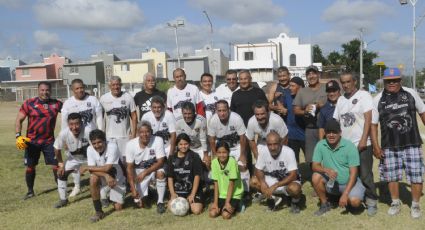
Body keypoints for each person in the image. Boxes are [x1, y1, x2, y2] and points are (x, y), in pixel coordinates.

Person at [371, 67, 425, 219]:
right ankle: (395, 202)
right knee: (392, 177)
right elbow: (373, 125)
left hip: (412, 143)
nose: (392, 83)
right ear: (384, 81)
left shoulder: (411, 94)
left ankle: (415, 205)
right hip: (389, 146)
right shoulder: (377, 99)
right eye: (389, 81)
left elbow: (422, 112)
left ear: (400, 80)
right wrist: (376, 146)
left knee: (416, 176)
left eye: (395, 80)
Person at [333, 72, 378, 216]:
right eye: (343, 82)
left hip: (362, 143)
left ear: (355, 82)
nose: (345, 85)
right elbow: (337, 122)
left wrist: (364, 139)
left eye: (348, 82)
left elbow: (368, 118)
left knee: (365, 174)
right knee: (350, 174)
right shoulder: (340, 100)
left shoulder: (364, 95)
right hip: (346, 146)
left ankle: (371, 202)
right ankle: (355, 197)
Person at [15, 81, 63, 200]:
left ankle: (61, 188)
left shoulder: (57, 104)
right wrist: (18, 136)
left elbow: (70, 113)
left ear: (50, 91)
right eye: (42, 90)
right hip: (31, 142)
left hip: (49, 141)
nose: (44, 92)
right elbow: (18, 120)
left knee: (56, 166)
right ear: (38, 90)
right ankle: (30, 191)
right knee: (30, 167)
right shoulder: (29, 103)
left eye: (47, 90)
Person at [312, 119, 365, 216]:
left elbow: (353, 174)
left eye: (334, 132)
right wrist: (326, 170)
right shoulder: (320, 145)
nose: (331, 135)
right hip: (332, 184)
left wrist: (345, 194)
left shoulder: (350, 146)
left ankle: (348, 199)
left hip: (349, 183)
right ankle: (325, 204)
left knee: (355, 202)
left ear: (340, 132)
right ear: (325, 133)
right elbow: (315, 166)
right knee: (316, 176)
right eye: (328, 132)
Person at [61, 78, 103, 197]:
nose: (80, 90)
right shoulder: (68, 103)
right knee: (75, 162)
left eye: (81, 87)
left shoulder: (93, 99)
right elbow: (64, 122)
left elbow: (99, 117)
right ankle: (77, 186)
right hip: (74, 138)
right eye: (77, 88)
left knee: (94, 161)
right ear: (72, 90)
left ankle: (98, 183)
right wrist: (65, 140)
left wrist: (100, 133)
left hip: (92, 137)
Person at [80, 129, 126, 222]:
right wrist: (105, 175)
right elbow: (93, 170)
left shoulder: (112, 146)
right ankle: (98, 211)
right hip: (105, 177)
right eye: (94, 143)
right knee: (93, 178)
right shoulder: (90, 149)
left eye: (99, 142)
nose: (97, 146)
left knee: (118, 208)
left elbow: (107, 168)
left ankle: (107, 193)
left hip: (118, 178)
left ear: (105, 140)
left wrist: (87, 167)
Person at [251, 131, 302, 213]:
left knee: (294, 189)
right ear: (266, 144)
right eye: (269, 145)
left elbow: (293, 175)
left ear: (280, 143)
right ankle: (272, 198)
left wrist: (275, 186)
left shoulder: (289, 152)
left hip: (287, 181)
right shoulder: (263, 151)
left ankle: (294, 202)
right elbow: (258, 169)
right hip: (272, 180)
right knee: (254, 181)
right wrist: (263, 182)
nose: (272, 147)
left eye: (275, 144)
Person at [208, 100, 249, 194]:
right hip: (221, 148)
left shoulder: (236, 118)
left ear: (228, 110)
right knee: (217, 168)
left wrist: (243, 154)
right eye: (219, 110)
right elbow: (211, 139)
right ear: (216, 111)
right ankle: (220, 191)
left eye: (224, 110)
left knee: (242, 167)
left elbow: (243, 137)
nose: (222, 113)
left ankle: (246, 191)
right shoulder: (213, 120)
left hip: (236, 146)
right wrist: (214, 154)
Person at [126, 121, 167, 213]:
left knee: (161, 173)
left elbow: (161, 162)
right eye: (141, 132)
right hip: (138, 175)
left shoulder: (158, 140)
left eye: (147, 131)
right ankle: (151, 191)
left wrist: (145, 172)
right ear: (137, 133)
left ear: (151, 131)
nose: (145, 134)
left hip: (153, 170)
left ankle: (160, 202)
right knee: (140, 205)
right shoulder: (130, 144)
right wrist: (132, 189)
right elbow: (129, 168)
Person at [53, 113, 90, 208]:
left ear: (81, 123)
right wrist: (61, 164)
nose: (74, 127)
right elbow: (57, 148)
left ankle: (104, 197)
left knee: (99, 174)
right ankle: (63, 200)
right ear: (68, 124)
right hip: (74, 159)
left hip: (90, 159)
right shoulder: (63, 133)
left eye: (77, 124)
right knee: (61, 173)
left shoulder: (89, 131)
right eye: (71, 124)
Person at [293, 65, 327, 165]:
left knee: (327, 155)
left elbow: (337, 101)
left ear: (318, 74)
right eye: (308, 74)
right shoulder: (302, 91)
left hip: (327, 128)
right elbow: (295, 110)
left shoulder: (326, 88)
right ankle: (315, 178)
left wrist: (322, 105)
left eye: (313, 73)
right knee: (312, 159)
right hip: (310, 128)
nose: (311, 76)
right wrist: (304, 111)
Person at [100, 76, 137, 161]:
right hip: (110, 137)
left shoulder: (128, 97)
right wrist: (101, 133)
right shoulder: (103, 98)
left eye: (118, 84)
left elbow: (134, 116)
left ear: (121, 85)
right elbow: (100, 117)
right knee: (111, 161)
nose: (116, 87)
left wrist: (134, 134)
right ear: (110, 86)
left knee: (126, 161)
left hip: (125, 136)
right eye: (113, 85)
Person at [168, 133, 204, 215]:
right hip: (178, 192)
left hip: (192, 191)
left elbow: (197, 176)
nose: (183, 146)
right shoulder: (172, 158)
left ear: (189, 144)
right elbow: (170, 177)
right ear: (177, 145)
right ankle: (186, 204)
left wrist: (192, 194)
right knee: (170, 207)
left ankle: (194, 203)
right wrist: (173, 194)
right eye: (180, 144)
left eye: (186, 144)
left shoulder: (195, 156)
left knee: (196, 210)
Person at [209, 141, 244, 219]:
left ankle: (239, 204)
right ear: (216, 153)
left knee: (225, 215)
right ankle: (224, 205)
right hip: (222, 194)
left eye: (224, 152)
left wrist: (227, 203)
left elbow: (231, 184)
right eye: (219, 152)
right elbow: (216, 183)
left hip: (234, 194)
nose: (222, 155)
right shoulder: (214, 162)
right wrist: (215, 203)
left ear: (228, 152)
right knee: (212, 214)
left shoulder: (232, 162)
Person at [175, 102, 209, 169]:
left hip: (200, 147)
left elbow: (203, 139)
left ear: (194, 113)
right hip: (187, 148)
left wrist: (205, 155)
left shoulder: (201, 120)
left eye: (189, 113)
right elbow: (179, 140)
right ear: (182, 113)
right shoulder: (178, 121)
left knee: (207, 164)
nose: (187, 116)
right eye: (185, 114)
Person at [284, 77, 306, 163]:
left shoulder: (306, 96)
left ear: (300, 87)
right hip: (291, 134)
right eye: (290, 86)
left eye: (293, 86)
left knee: (310, 159)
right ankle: (296, 176)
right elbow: (283, 107)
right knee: (293, 160)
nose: (290, 88)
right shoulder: (288, 96)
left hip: (304, 134)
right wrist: (282, 109)